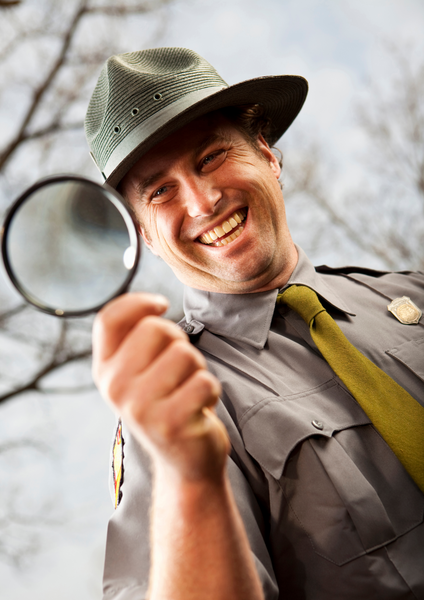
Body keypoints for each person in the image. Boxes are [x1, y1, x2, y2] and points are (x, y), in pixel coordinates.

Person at [85, 48, 424, 600]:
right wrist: (190, 479)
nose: (202, 201)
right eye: (161, 191)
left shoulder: (413, 294)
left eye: (212, 156)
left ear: (267, 154)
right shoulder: (178, 414)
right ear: (144, 234)